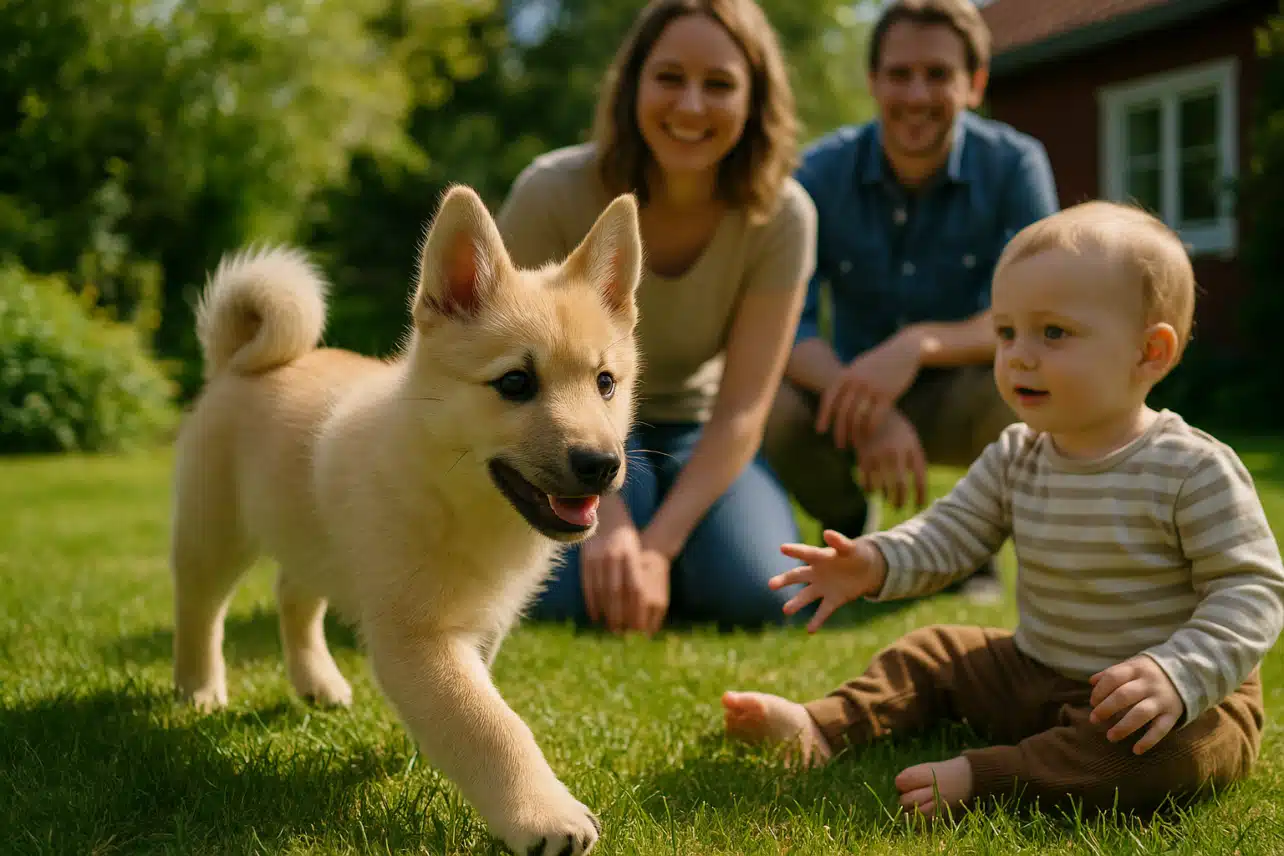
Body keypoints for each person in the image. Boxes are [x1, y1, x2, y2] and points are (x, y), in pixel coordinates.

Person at [720, 201, 1284, 817]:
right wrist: (876, 561)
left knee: (1166, 753)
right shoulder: (1018, 454)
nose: (1019, 355)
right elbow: (950, 533)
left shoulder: (1191, 469)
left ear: (1150, 351)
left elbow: (1250, 589)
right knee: (932, 654)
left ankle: (991, 778)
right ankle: (825, 725)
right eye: (1007, 332)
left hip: (1173, 699)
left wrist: (1178, 673)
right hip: (1036, 669)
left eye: (1053, 333)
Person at [495, 0, 817, 633]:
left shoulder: (785, 217)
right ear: (632, 86)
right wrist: (607, 522)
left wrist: (660, 549)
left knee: (760, 595)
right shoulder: (551, 191)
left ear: (754, 100)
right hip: (574, 426)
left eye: (719, 84)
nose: (691, 107)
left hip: (699, 428)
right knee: (562, 597)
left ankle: (683, 559)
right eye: (669, 77)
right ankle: (642, 548)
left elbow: (743, 411)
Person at [762, 0, 1059, 604]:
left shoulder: (1015, 165)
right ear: (873, 81)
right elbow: (782, 322)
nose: (917, 94)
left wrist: (918, 345)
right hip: (845, 394)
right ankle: (851, 530)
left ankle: (970, 551)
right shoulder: (817, 173)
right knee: (772, 408)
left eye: (938, 74)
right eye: (899, 74)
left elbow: (1042, 310)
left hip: (965, 387)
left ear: (974, 84)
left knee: (1033, 392)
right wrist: (864, 402)